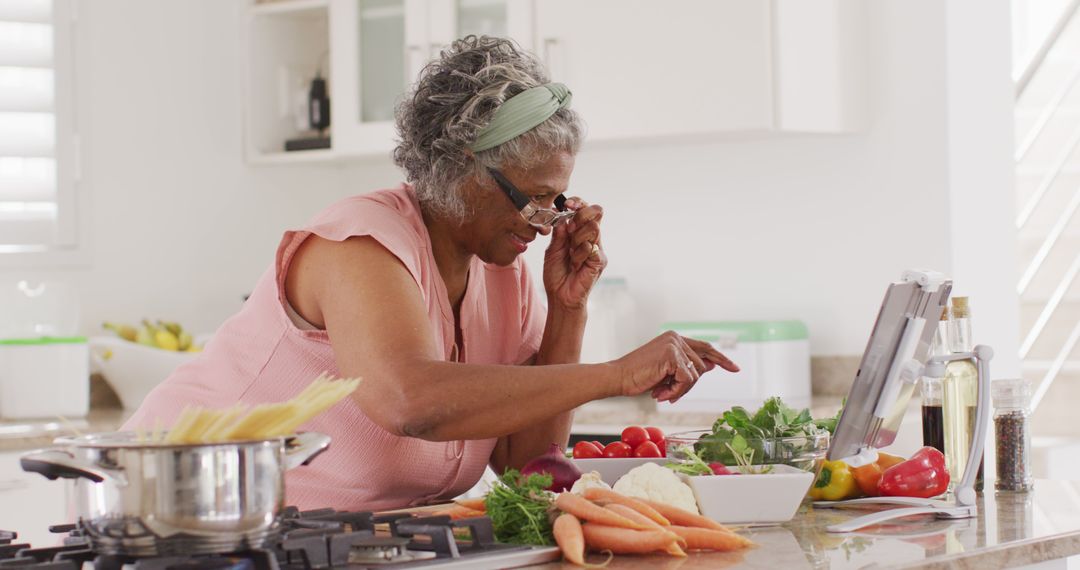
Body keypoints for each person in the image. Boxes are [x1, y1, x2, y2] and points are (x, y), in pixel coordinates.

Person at [123, 36, 737, 511]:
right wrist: (615, 374)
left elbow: (527, 462)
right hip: (188, 504)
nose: (550, 221)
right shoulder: (359, 244)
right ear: (465, 168)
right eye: (537, 198)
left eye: (560, 201)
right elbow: (410, 401)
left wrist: (567, 309)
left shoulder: (504, 270)